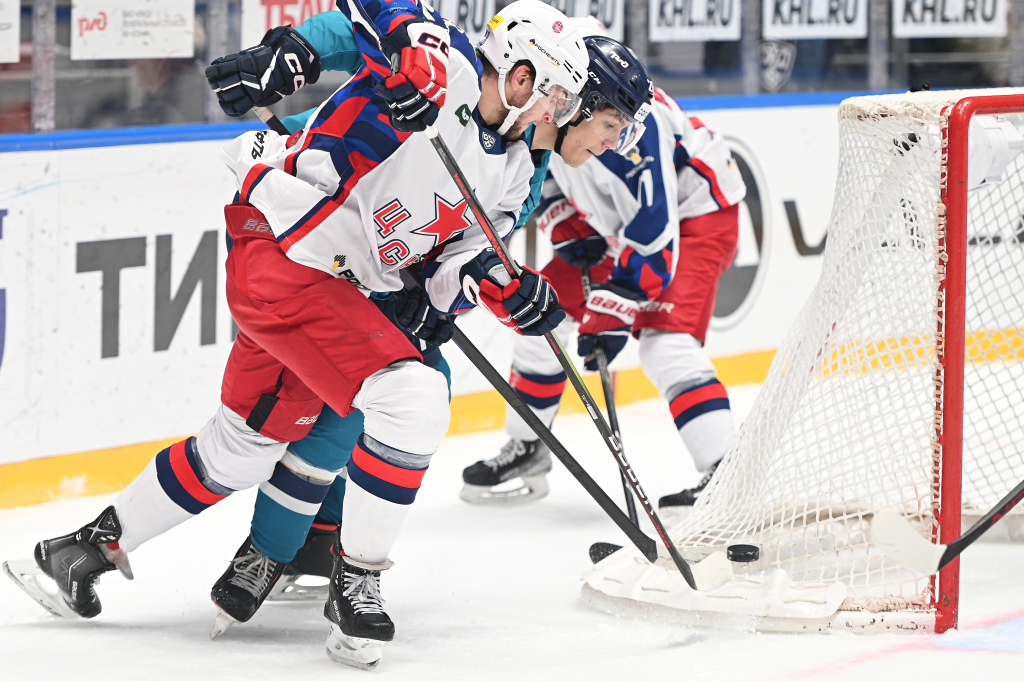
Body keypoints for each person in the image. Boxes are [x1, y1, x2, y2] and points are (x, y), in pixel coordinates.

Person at [4, 0, 588, 670]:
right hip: (284, 246)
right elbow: (373, 10)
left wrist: (504, 288)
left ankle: (81, 551)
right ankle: (356, 581)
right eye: (558, 97)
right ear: (521, 76)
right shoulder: (446, 60)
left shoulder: (514, 169)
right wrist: (302, 55)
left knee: (242, 447)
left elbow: (449, 269)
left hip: (323, 287)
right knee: (413, 396)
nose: (560, 115)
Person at [193, 12, 655, 639]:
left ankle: (317, 537)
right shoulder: (495, 91)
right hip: (319, 220)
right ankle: (271, 549)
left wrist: (449, 301)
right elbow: (377, 33)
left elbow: (475, 235)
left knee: (404, 398)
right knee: (362, 410)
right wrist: (294, 52)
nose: (610, 145)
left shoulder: (529, 147)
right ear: (565, 98)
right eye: (607, 125)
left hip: (391, 260)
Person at [461, 32, 747, 509]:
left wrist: (614, 311)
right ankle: (530, 445)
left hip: (697, 216)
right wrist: (566, 222)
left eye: (621, 126)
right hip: (619, 223)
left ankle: (727, 475)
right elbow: (537, 170)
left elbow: (654, 235)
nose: (617, 139)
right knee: (541, 319)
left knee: (664, 344)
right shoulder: (545, 106)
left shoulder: (635, 137)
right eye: (611, 125)